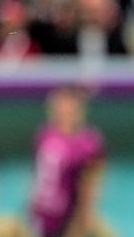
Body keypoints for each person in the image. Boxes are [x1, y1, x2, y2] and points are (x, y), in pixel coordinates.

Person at [30, 87, 106, 237]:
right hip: (43, 214)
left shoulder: (88, 143)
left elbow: (91, 183)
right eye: (60, 105)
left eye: (69, 106)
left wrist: (85, 216)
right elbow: (38, 175)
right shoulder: (44, 136)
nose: (64, 111)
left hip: (70, 216)